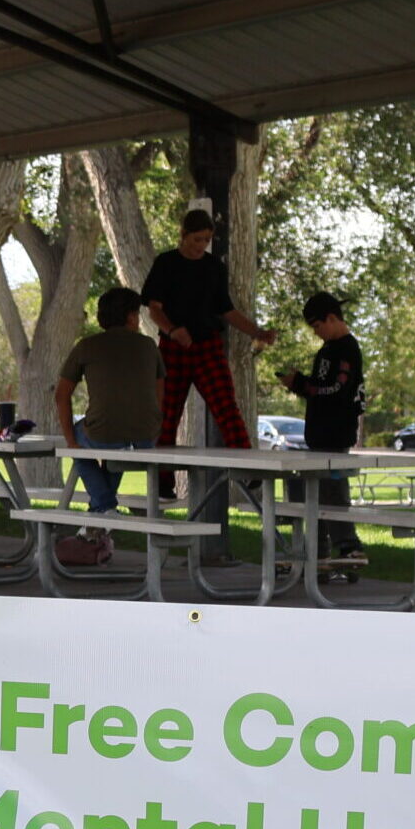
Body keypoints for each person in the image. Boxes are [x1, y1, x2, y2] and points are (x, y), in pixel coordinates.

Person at [141, 208, 276, 452]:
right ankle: (161, 481)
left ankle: (247, 469)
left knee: (226, 406)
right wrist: (173, 330)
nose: (201, 245)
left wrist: (257, 332)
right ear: (183, 234)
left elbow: (227, 310)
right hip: (173, 347)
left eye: (206, 240)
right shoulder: (166, 263)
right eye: (197, 239)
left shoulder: (214, 267)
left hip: (208, 347)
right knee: (167, 413)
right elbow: (154, 308)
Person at [55, 287, 168, 563]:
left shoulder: (87, 345)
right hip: (146, 435)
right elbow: (160, 395)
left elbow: (61, 395)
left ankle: (104, 508)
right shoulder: (148, 346)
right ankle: (97, 529)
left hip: (104, 433)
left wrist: (70, 441)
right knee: (116, 448)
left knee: (79, 444)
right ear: (131, 317)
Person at [278, 291, 367, 577]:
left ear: (332, 318)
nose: (317, 333)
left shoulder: (347, 350)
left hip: (336, 434)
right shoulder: (327, 351)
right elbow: (320, 387)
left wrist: (302, 385)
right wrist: (301, 384)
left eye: (317, 327)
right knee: (311, 495)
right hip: (318, 435)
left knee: (333, 494)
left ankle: (349, 546)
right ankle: (318, 553)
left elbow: (336, 389)